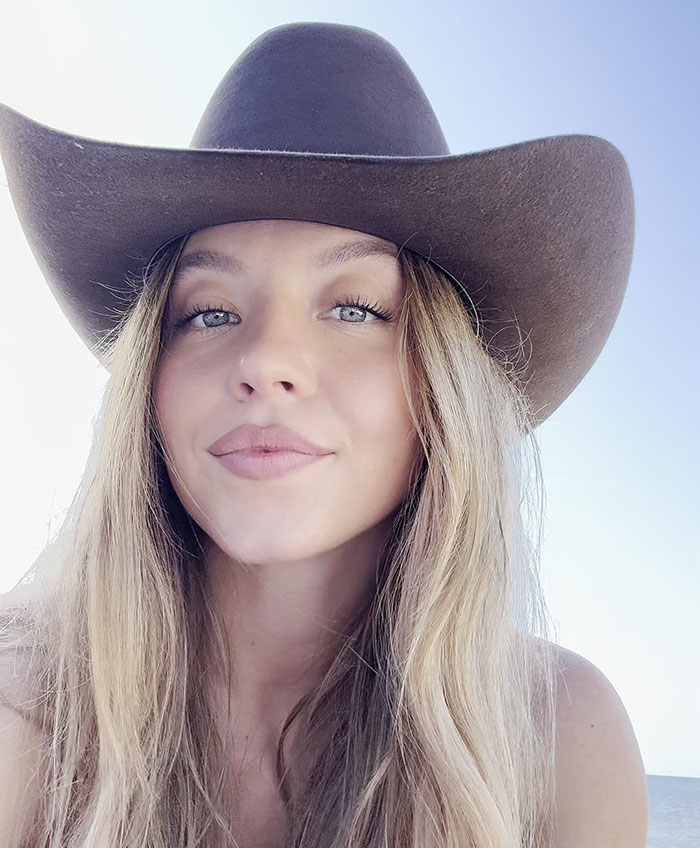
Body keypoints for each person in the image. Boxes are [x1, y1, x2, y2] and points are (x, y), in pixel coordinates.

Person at [0, 21, 648, 848]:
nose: (267, 360)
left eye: (353, 309)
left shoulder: (562, 736)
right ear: (148, 381)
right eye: (207, 313)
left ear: (441, 384)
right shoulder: (20, 701)